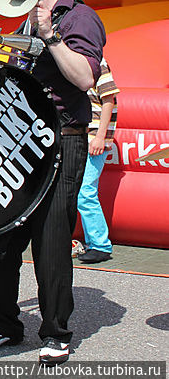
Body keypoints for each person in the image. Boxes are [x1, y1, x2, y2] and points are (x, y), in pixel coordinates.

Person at [0, 0, 105, 365]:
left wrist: (50, 36)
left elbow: (84, 78)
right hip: (19, 136)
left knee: (52, 236)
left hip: (63, 136)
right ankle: (3, 324)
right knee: (1, 230)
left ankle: (56, 331)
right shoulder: (23, 17)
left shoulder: (80, 17)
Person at [76, 57, 118, 264]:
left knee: (86, 191)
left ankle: (100, 244)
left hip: (93, 138)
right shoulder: (71, 60)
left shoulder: (97, 62)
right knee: (80, 191)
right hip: (79, 137)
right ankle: (93, 242)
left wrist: (101, 136)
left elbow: (109, 99)